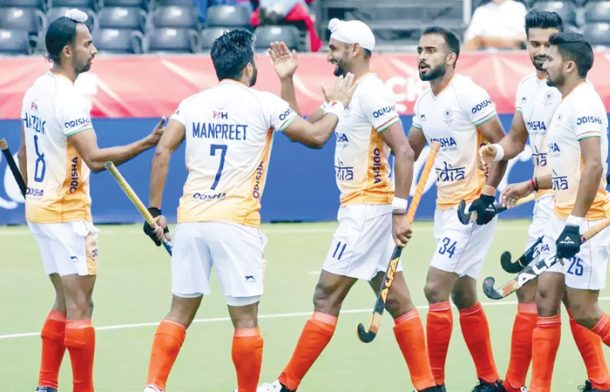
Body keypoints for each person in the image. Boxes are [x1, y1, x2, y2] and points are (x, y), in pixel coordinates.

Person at [139, 29, 356, 392]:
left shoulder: (192, 103)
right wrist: (337, 105)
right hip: (236, 224)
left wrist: (155, 209)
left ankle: (153, 386)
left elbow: (163, 151)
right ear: (249, 68)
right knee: (245, 320)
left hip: (191, 220)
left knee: (178, 312)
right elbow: (315, 137)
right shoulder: (262, 102)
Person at [482, 31, 610, 392]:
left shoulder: (583, 105)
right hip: (564, 214)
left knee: (584, 311)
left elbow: (593, 166)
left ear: (570, 64)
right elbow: (569, 168)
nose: (544, 59)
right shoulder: (565, 101)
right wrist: (530, 185)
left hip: (587, 218)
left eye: (553, 55)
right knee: (544, 295)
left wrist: (573, 226)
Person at [258, 18, 441, 392]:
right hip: (360, 208)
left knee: (325, 294)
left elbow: (404, 152)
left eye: (335, 48)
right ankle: (429, 387)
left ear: (355, 50)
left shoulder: (371, 92)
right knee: (398, 301)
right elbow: (304, 132)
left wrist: (400, 212)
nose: (329, 55)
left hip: (367, 210)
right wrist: (287, 79)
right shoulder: (345, 90)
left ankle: (285, 386)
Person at [18, 9, 165, 392]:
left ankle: (46, 384)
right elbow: (96, 160)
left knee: (65, 301)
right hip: (66, 214)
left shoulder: (34, 89)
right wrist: (146, 143)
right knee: (82, 306)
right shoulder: (69, 99)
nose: (94, 50)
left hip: (39, 209)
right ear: (67, 51)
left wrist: (33, 191)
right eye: (87, 44)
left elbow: (22, 153)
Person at [479, 10, 610, 392]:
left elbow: (588, 161)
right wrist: (496, 151)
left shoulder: (571, 91)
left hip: (568, 202)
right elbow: (516, 141)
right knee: (536, 291)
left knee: (562, 296)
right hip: (544, 199)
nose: (540, 52)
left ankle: (592, 382)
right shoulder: (527, 88)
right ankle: (525, 383)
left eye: (547, 44)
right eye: (533, 44)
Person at [407, 26, 507, 391]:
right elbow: (410, 151)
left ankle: (434, 384)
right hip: (445, 207)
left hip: (472, 208)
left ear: (450, 57)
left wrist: (488, 193)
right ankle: (490, 380)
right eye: (420, 49)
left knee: (435, 289)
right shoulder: (424, 103)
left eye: (431, 50)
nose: (422, 56)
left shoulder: (468, 94)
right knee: (463, 293)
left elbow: (503, 145)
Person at [462, 0, 527, 51]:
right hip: (485, 59)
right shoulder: (481, 11)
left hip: (512, 59)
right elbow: (470, 41)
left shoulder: (519, 8)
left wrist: (487, 41)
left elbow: (524, 37)